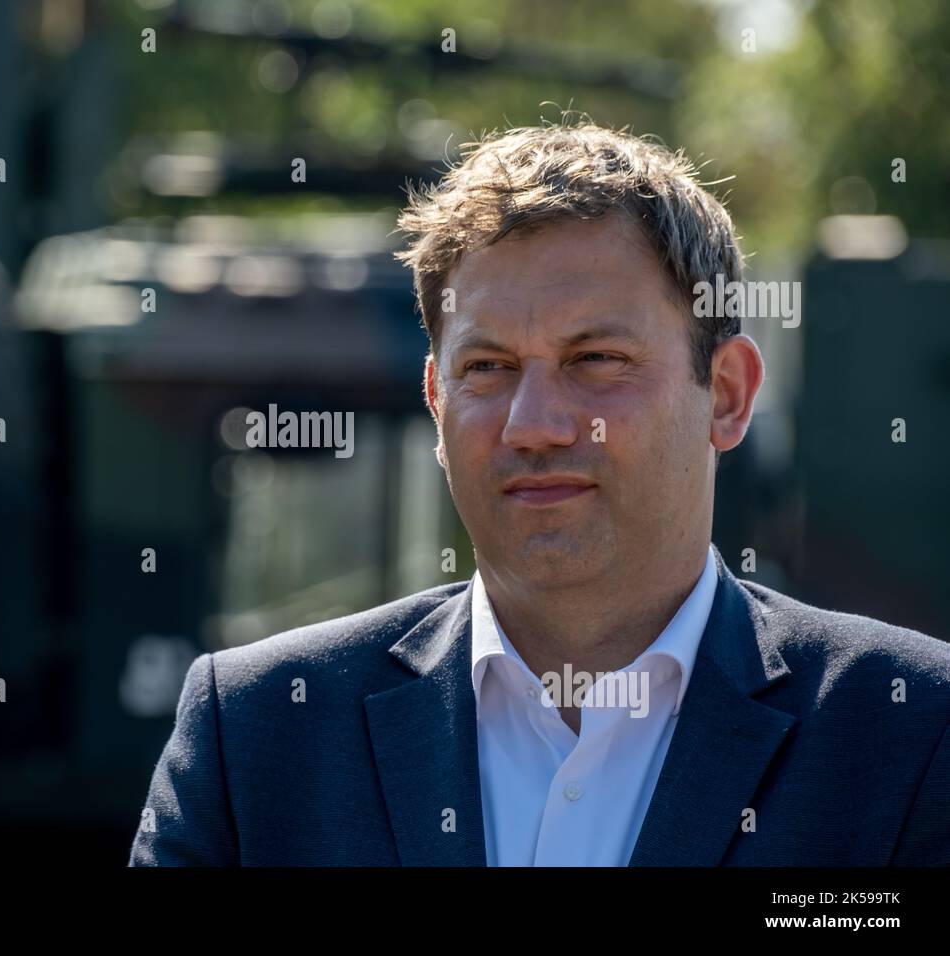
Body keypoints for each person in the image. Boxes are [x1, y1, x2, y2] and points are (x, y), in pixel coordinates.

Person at [128, 122, 950, 866]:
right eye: (487, 368)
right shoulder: (258, 737)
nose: (535, 424)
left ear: (727, 395)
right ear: (438, 401)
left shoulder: (907, 734)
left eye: (595, 360)